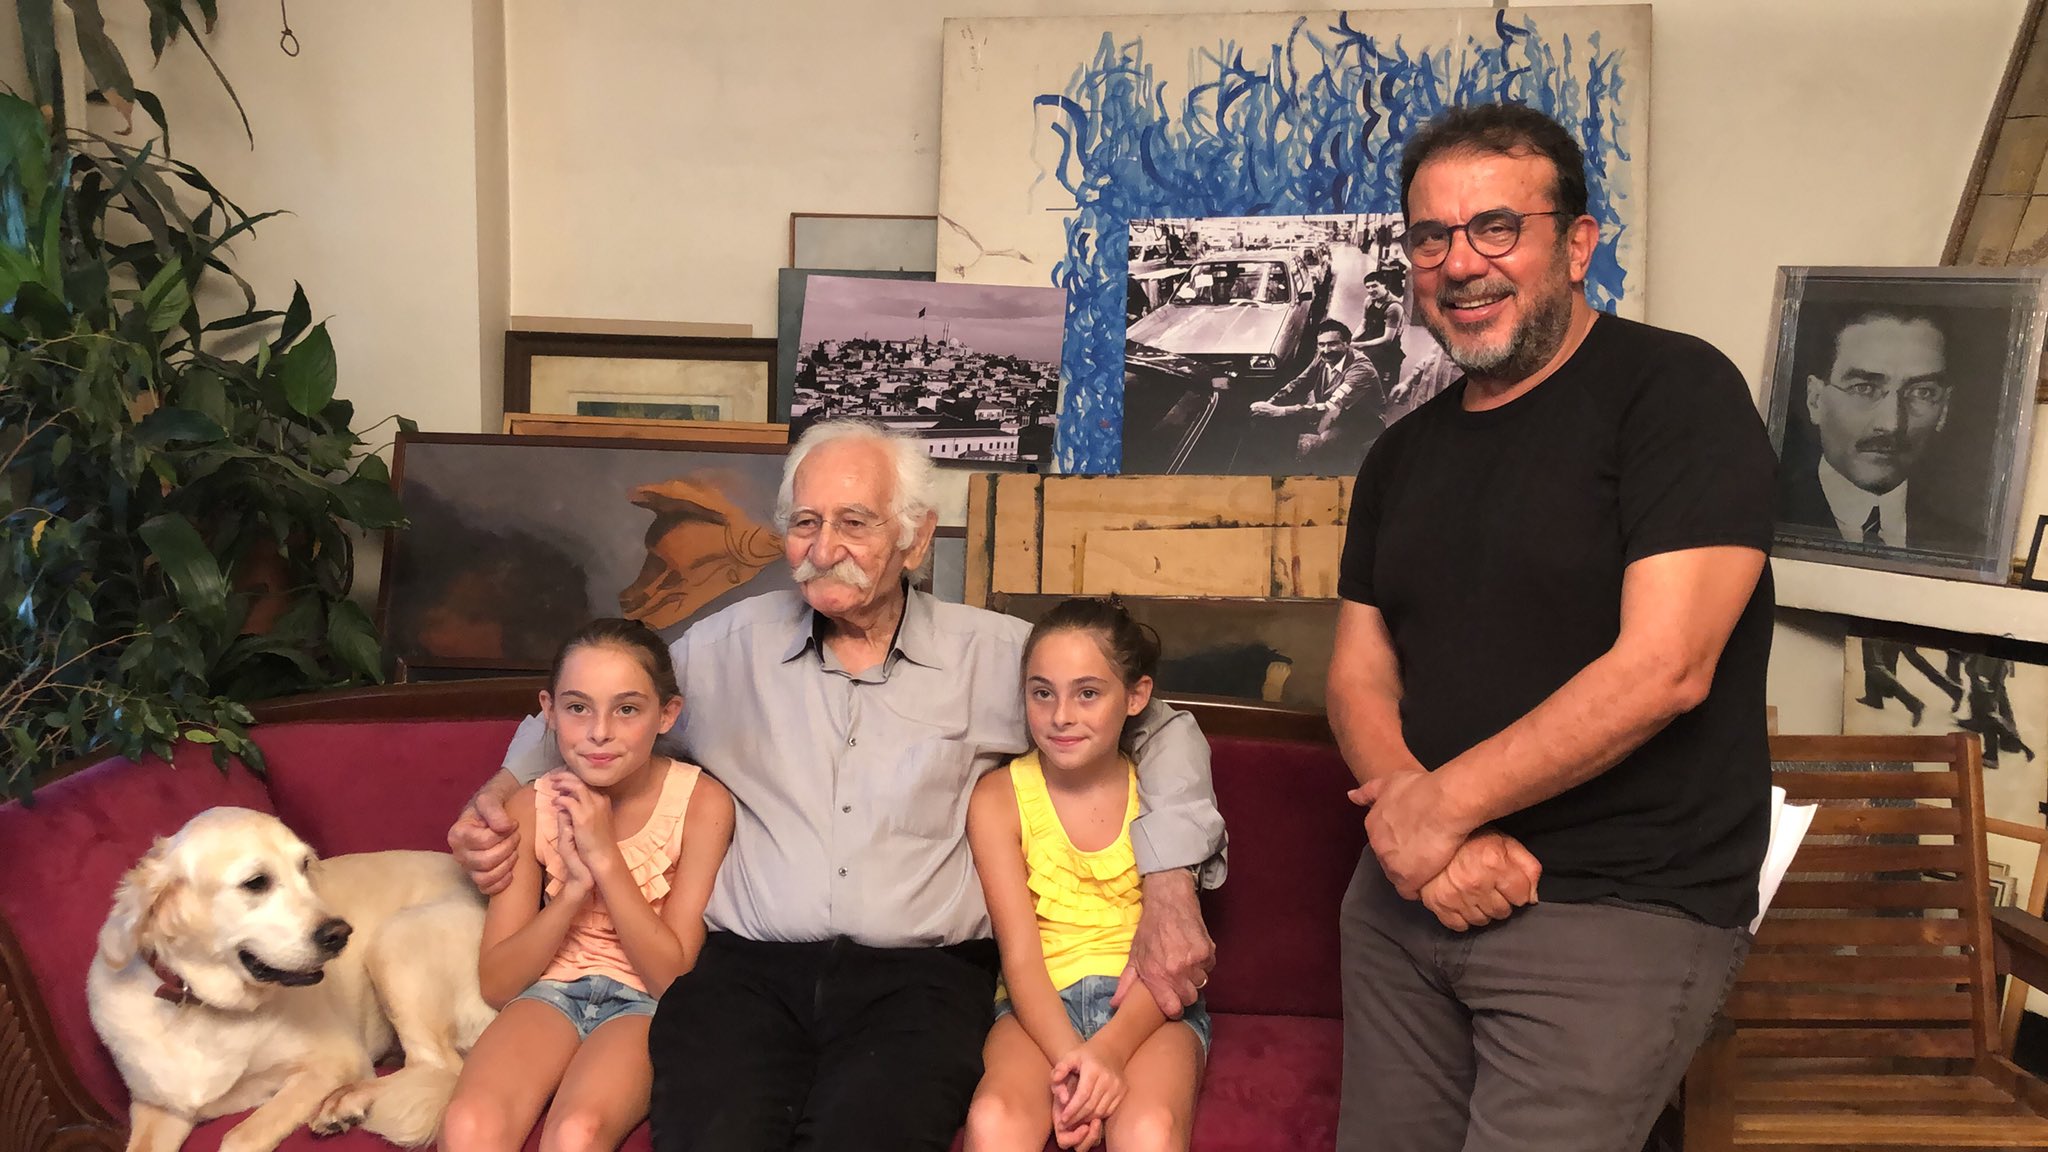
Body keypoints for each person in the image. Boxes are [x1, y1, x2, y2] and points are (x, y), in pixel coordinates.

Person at [447, 419, 1226, 1152]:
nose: (825, 549)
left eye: (855, 522)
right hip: (746, 974)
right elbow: (597, 700)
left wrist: (1168, 879)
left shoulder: (995, 657)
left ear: (917, 536)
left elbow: (1161, 727)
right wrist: (504, 785)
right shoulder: (726, 649)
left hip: (919, 984)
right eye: (806, 522)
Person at [1328, 102, 1776, 1152]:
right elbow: (1356, 672)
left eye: (1496, 227)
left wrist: (1435, 813)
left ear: (1576, 245)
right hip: (1404, 905)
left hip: (1611, 911)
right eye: (1430, 237)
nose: (1459, 262)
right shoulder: (1399, 455)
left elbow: (1665, 667)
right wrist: (1415, 828)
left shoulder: (1677, 392)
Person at [442, 618, 735, 1152]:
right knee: (467, 1125)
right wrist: (573, 890)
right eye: (578, 708)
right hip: (550, 992)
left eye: (627, 709)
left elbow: (672, 981)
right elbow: (498, 983)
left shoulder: (702, 803)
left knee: (576, 1135)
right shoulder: (530, 805)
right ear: (550, 712)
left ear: (667, 714)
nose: (600, 732)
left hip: (646, 1003)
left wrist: (604, 858)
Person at [962, 598, 1207, 1152]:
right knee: (993, 1121)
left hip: (1148, 1009)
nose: (1061, 716)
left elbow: (1174, 952)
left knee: (1149, 1132)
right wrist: (1074, 1060)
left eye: (1088, 693)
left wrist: (1109, 1053)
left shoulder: (1163, 794)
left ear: (1136, 696)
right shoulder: (998, 798)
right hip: (1037, 1007)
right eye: (1042, 693)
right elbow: (1020, 959)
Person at [1779, 306, 1978, 555]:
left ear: (1944, 409)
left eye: (1922, 392)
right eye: (1863, 388)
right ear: (1815, 400)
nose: (1891, 424)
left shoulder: (1967, 548)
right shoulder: (1766, 518)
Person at [1249, 319, 1380, 464]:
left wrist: (1280, 411)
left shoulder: (1361, 370)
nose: (1326, 350)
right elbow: (1299, 383)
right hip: (1334, 414)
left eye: (1332, 344)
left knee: (1321, 443)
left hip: (1362, 420)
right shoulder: (1322, 356)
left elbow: (1331, 407)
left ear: (1346, 343)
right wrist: (1271, 403)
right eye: (1321, 344)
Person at [1354, 279, 1407, 399]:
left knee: (1378, 370)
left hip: (1386, 347)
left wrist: (1361, 345)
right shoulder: (1368, 301)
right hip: (1371, 338)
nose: (1370, 290)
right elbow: (1363, 325)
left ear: (1384, 285)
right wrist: (1351, 339)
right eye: (1368, 287)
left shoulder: (1394, 307)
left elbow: (1387, 339)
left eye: (1374, 286)